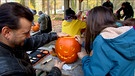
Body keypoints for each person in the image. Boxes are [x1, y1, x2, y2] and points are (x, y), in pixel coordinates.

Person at [0, 2, 69, 76]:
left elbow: (33, 41)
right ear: (7, 32)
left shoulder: (11, 42)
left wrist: (55, 35)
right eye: (25, 33)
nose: (29, 36)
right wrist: (55, 71)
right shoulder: (11, 72)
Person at [75, 6, 135, 76]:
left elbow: (93, 74)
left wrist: (85, 58)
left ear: (93, 24)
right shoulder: (127, 34)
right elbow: (109, 50)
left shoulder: (101, 40)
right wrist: (83, 43)